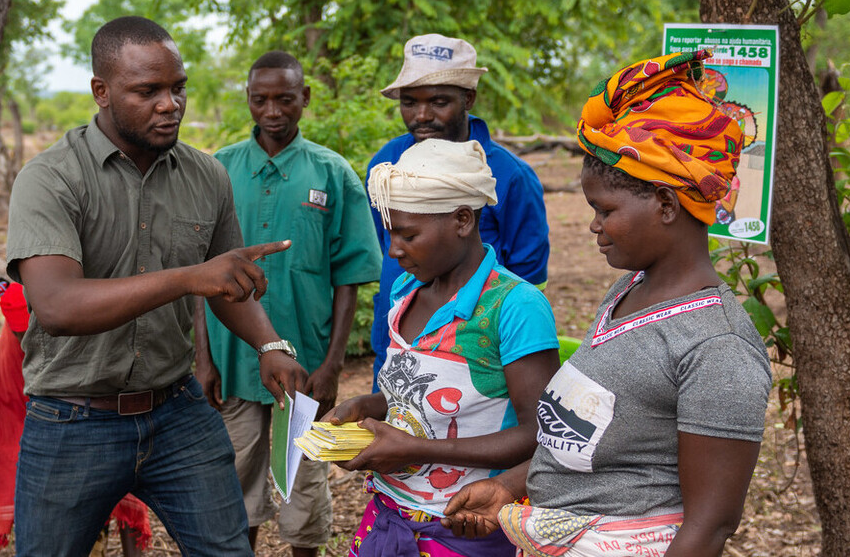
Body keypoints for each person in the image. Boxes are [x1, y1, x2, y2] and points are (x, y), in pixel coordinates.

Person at [439, 50, 772, 557]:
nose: (594, 225)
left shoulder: (718, 347)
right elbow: (602, 443)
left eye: (605, 210)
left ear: (665, 204)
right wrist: (509, 486)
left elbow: (709, 527)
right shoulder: (630, 291)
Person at [3, 15, 310, 556]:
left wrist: (269, 344)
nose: (170, 104)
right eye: (148, 91)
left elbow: (226, 282)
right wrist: (191, 277)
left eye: (177, 88)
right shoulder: (50, 179)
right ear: (101, 91)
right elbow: (56, 306)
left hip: (177, 412)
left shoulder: (205, 175)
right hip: (73, 418)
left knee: (228, 550)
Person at [324, 139, 561, 557]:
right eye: (390, 233)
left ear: (463, 220)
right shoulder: (407, 289)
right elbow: (423, 393)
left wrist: (415, 450)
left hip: (466, 523)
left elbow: (539, 433)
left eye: (408, 234)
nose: (394, 250)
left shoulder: (514, 307)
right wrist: (369, 404)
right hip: (390, 510)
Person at [193, 50, 383, 556]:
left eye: (284, 99)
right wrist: (203, 358)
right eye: (261, 100)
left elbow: (350, 275)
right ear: (248, 101)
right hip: (233, 361)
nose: (272, 110)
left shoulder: (332, 172)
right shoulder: (219, 169)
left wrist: (333, 363)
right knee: (236, 477)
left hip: (306, 359)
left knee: (303, 482)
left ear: (305, 98)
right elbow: (198, 275)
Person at [364, 34, 549, 384]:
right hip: (397, 340)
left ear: (468, 98)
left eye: (438, 101)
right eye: (409, 102)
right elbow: (389, 246)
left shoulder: (510, 178)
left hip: (475, 359)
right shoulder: (386, 164)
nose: (421, 116)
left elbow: (529, 279)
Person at [0, 279, 153, 556]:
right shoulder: (21, 301)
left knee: (114, 465)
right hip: (19, 389)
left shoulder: (87, 299)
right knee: (6, 470)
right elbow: (33, 353)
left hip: (76, 384)